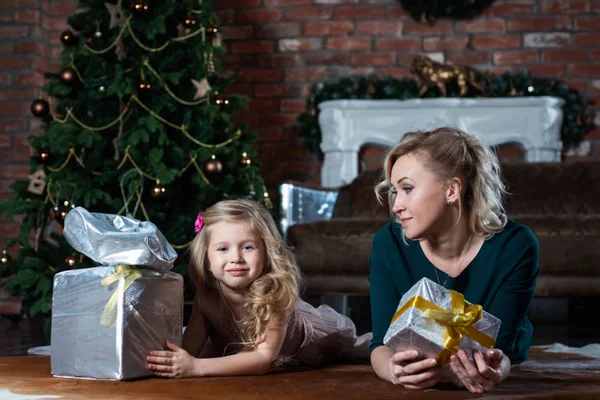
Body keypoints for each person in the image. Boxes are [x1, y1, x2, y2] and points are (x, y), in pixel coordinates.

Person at [369, 127, 539, 393]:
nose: (396, 205)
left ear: (452, 190)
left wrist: (494, 372)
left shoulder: (515, 246)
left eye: (407, 189)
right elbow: (379, 344)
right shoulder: (388, 244)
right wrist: (393, 370)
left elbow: (500, 350)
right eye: (394, 191)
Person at [147, 199, 371, 378]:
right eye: (223, 249)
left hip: (318, 337)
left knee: (356, 345)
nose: (236, 258)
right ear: (206, 260)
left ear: (265, 253)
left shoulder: (274, 296)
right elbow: (189, 348)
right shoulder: (206, 298)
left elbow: (263, 359)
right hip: (244, 345)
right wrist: (177, 362)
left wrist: (195, 367)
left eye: (247, 247)